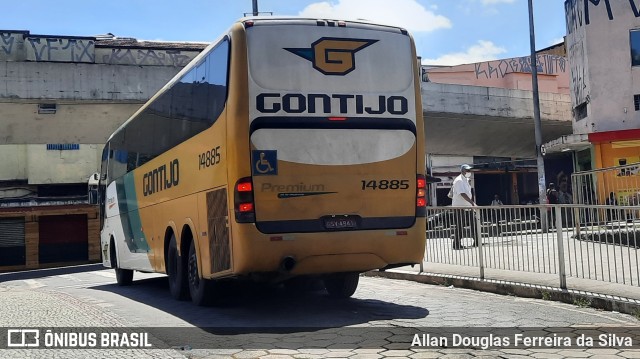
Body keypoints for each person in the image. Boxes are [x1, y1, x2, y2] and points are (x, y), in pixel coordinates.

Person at [451, 164, 478, 250]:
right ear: (462, 171)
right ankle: (456, 244)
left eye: (469, 170)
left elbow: (468, 193)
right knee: (460, 225)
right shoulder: (459, 180)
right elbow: (462, 193)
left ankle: (477, 241)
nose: (469, 172)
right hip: (459, 206)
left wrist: (471, 203)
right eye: (467, 170)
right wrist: (472, 203)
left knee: (473, 223)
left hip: (467, 206)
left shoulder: (466, 180)